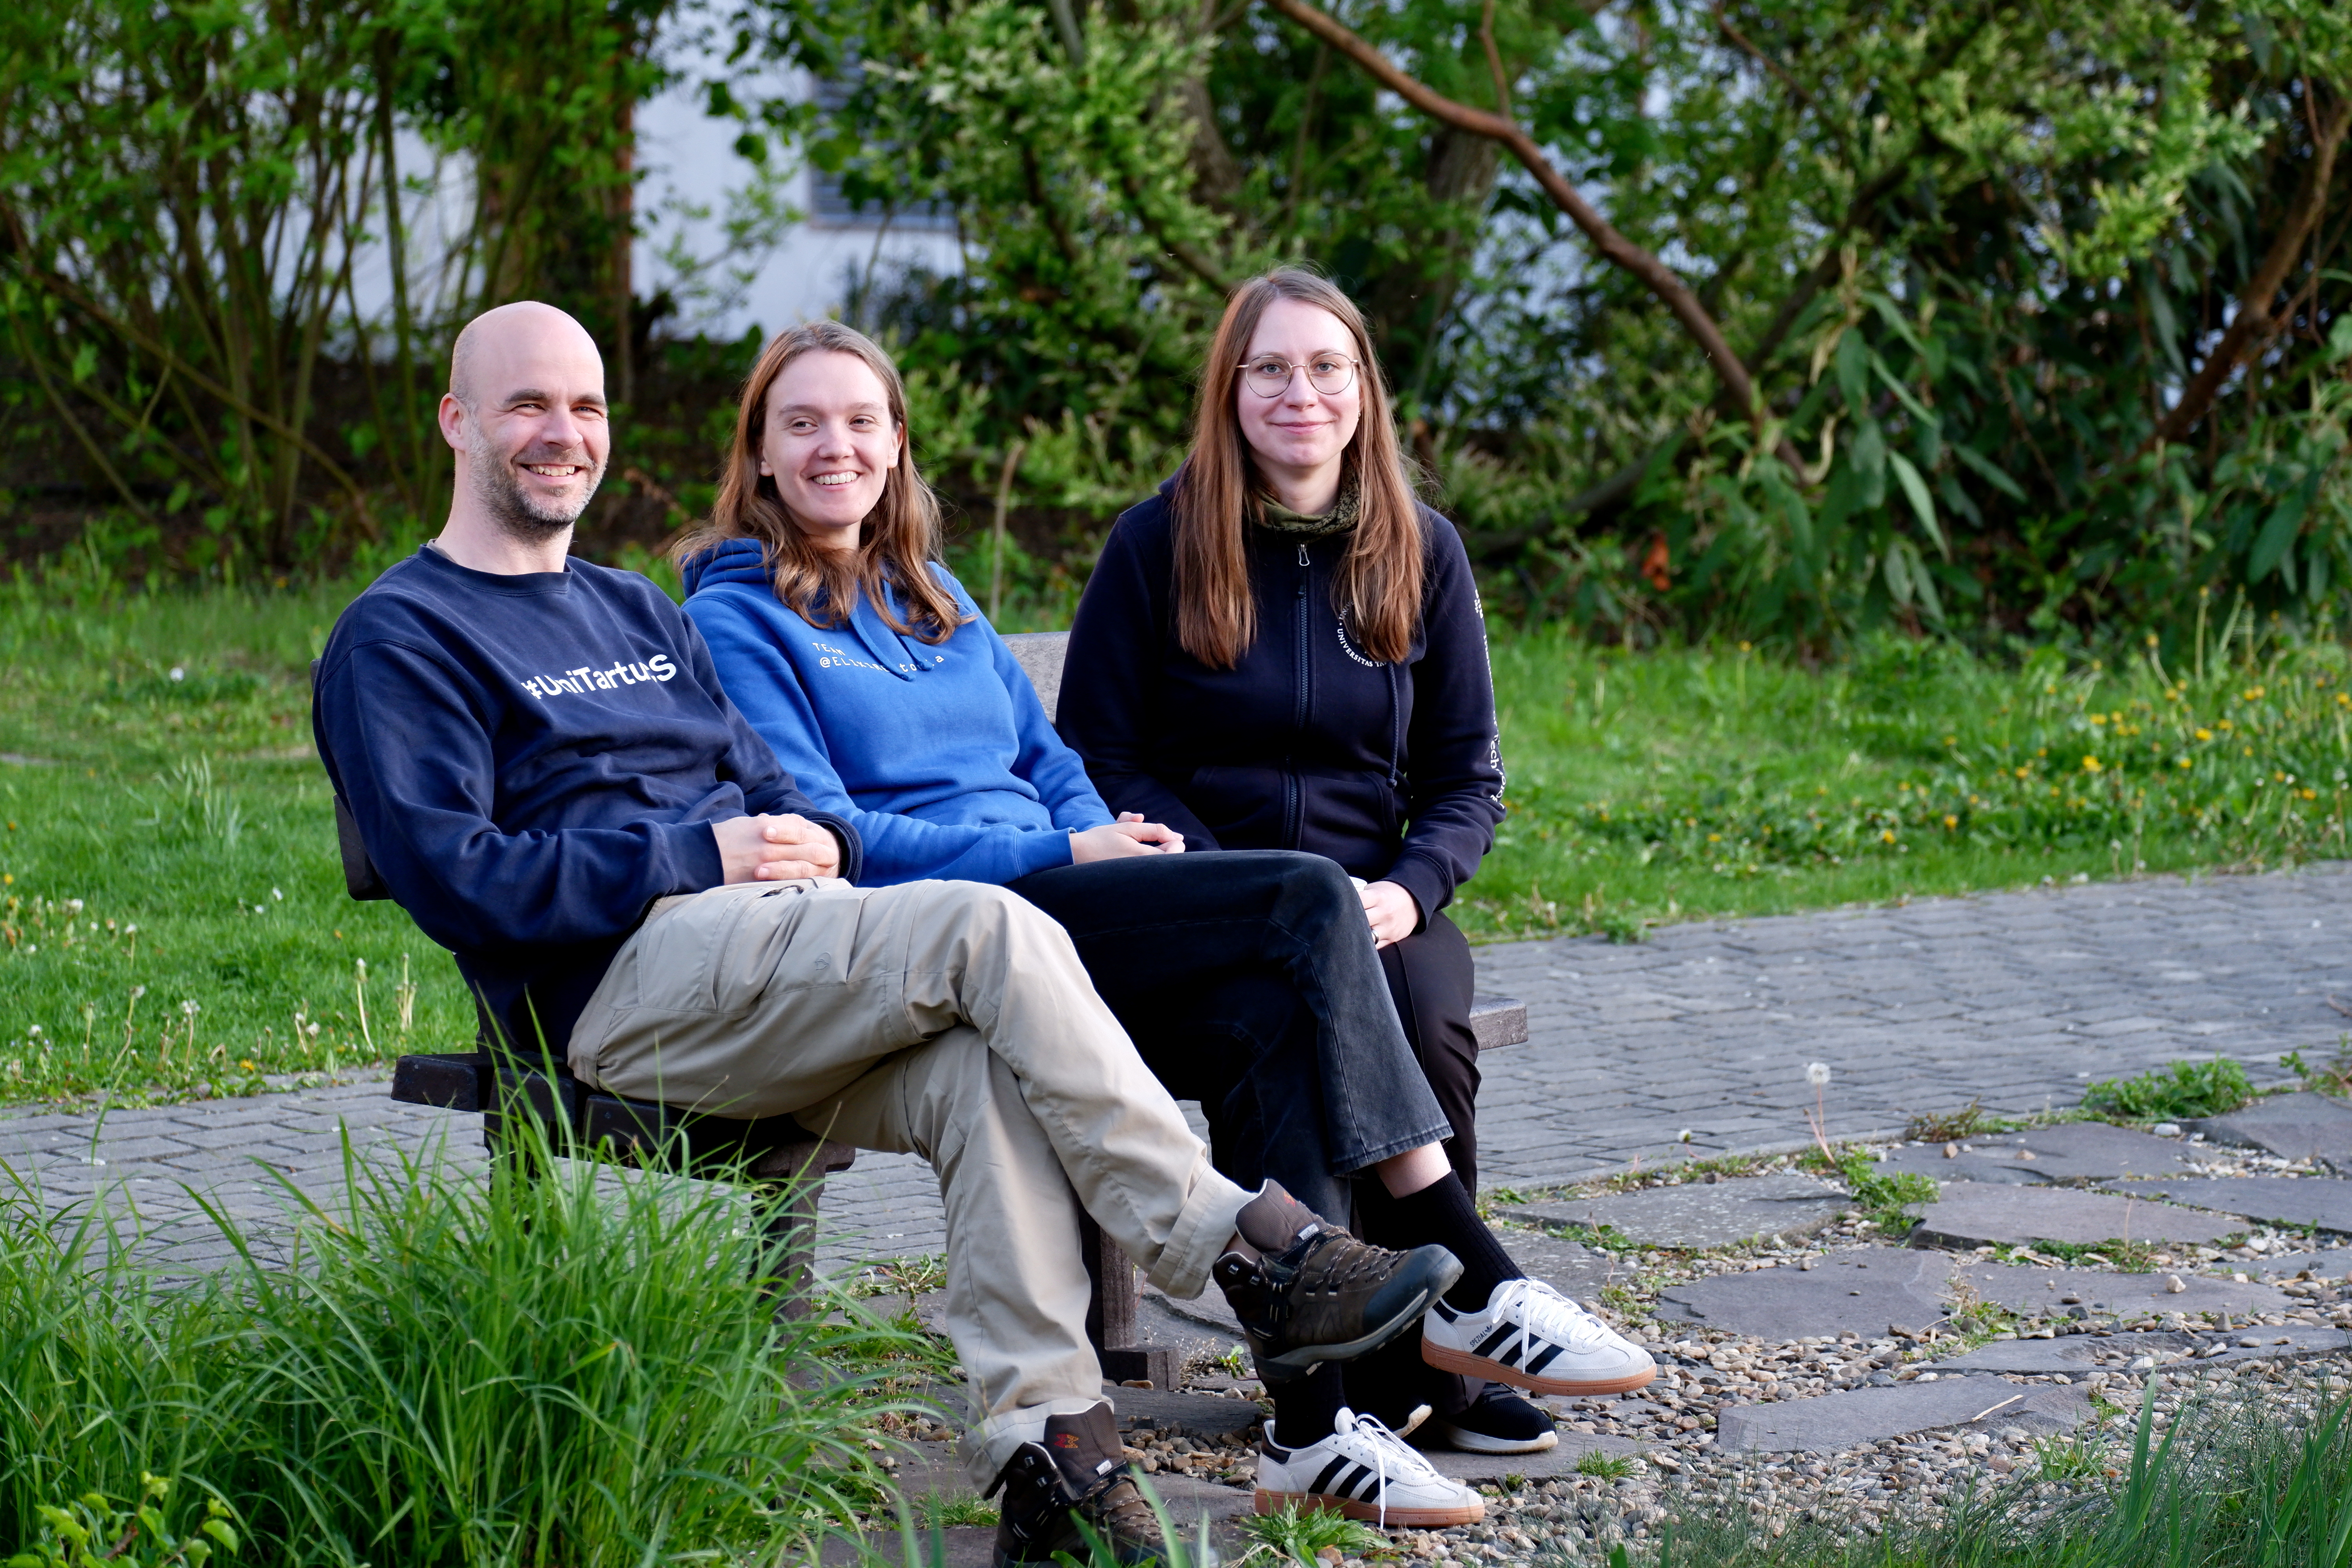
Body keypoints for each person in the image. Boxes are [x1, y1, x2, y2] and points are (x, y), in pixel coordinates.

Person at [310, 301, 1468, 1567]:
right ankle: (1244, 1249)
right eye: (527, 404)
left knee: (982, 1075)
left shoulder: (635, 612)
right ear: (458, 421)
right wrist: (701, 855)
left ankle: (1055, 1463)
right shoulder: (404, 632)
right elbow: (456, 878)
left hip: (781, 952)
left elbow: (776, 790)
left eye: (584, 406)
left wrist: (803, 838)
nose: (562, 432)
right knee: (985, 927)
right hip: (618, 992)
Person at [669, 317, 1654, 1517]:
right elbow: (835, 834)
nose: (838, 447)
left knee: (1267, 1020)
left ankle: (1314, 1429)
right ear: (760, 455)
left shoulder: (932, 597)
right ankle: (1479, 1277)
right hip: (943, 935)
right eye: (805, 425)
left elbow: (1055, 760)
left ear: (897, 444)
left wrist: (1104, 845)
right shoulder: (737, 619)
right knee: (1304, 895)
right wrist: (1065, 850)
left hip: (1064, 903)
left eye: (862, 421)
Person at [1056, 268, 1550, 1456]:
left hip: (1378, 900)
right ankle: (1366, 1374)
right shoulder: (1158, 543)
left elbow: (1466, 779)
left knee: (1426, 1021)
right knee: (1279, 1020)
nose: (1300, 393)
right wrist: (1232, 878)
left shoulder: (1422, 551)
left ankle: (1434, 1358)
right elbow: (1101, 751)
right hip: (1212, 902)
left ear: (1363, 388)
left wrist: (1410, 890)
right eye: (1270, 368)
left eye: (1327, 367)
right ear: (1230, 391)